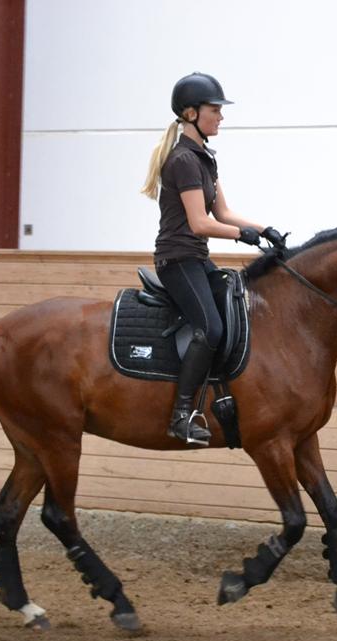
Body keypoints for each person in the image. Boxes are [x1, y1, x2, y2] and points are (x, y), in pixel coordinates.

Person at [141, 72, 285, 446]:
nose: (221, 117)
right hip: (177, 260)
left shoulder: (205, 158)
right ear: (191, 113)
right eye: (214, 110)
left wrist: (265, 229)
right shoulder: (184, 160)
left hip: (197, 259)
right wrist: (243, 236)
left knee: (237, 311)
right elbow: (199, 222)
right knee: (211, 328)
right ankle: (182, 414)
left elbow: (223, 212)